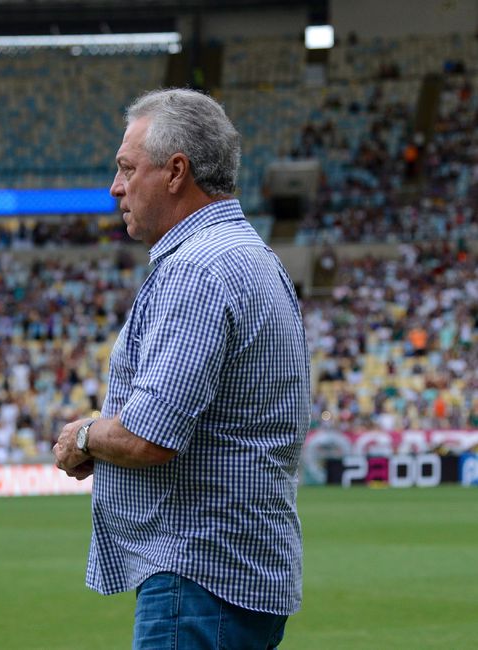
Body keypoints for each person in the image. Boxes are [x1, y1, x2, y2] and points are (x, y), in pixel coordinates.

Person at [53, 88, 311, 649]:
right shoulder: (249, 255)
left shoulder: (197, 269)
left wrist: (84, 436)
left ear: (175, 172)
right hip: (240, 572)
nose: (115, 186)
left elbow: (150, 437)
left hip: (198, 574)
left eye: (126, 168)